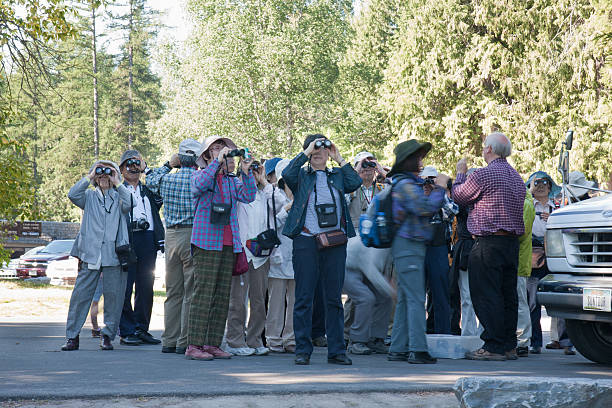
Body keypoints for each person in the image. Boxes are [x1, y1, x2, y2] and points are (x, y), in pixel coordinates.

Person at [282, 134, 362, 365]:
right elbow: (286, 174)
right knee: (305, 296)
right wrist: (307, 152)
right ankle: (303, 350)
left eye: (323, 149)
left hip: (334, 242)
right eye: (314, 150)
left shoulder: (337, 175)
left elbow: (354, 183)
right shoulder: (301, 175)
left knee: (334, 298)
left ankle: (336, 350)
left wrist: (338, 157)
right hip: (306, 240)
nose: (319, 152)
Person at [452, 132, 526, 361]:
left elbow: (459, 197)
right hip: (511, 243)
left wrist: (460, 174)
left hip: (488, 242)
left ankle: (493, 346)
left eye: (485, 146)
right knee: (507, 294)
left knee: (486, 293)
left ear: (489, 150)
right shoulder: (516, 177)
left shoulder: (483, 175)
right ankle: (508, 345)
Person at [185, 135, 256, 361]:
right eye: (216, 148)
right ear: (207, 154)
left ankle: (212, 343)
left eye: (225, 149)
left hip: (229, 243)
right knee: (203, 294)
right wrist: (216, 162)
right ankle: (193, 345)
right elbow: (200, 185)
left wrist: (246, 171)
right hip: (206, 242)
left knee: (222, 295)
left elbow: (249, 195)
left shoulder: (231, 179)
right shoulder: (200, 174)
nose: (223, 151)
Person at [386, 140, 447, 364]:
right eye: (418, 157)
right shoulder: (406, 185)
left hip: (405, 245)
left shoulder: (403, 183)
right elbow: (425, 208)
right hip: (409, 245)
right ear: (409, 160)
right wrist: (440, 188)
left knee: (405, 297)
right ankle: (418, 349)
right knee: (415, 297)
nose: (421, 161)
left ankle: (398, 347)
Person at [61, 160, 133, 351]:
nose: (104, 177)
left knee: (113, 297)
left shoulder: (119, 197)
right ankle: (72, 336)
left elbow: (129, 203)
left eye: (107, 174)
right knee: (80, 296)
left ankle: (108, 335)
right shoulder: (88, 197)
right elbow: (72, 194)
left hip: (114, 254)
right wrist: (90, 175)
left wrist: (117, 182)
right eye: (100, 174)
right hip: (90, 253)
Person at [145, 138, 202, 355]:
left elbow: (150, 179)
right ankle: (184, 341)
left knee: (173, 291)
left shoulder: (167, 180)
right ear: (196, 158)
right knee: (190, 290)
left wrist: (168, 164)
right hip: (192, 234)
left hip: (171, 236)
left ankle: (168, 339)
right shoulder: (199, 179)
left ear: (179, 158)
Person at [118, 150, 164, 347]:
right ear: (121, 169)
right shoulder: (118, 190)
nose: (133, 167)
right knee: (126, 287)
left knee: (146, 287)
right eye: (128, 164)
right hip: (128, 239)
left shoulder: (149, 190)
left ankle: (141, 328)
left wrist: (146, 169)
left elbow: (162, 186)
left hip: (147, 239)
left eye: (136, 163)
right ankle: (127, 330)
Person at [224, 159, 271, 356]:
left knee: (259, 300)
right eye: (249, 170)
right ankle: (235, 340)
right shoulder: (237, 193)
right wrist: (243, 173)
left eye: (255, 169)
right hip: (241, 252)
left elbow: (281, 204)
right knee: (237, 301)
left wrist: (264, 179)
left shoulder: (265, 195)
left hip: (260, 255)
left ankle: (254, 340)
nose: (252, 173)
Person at [344, 151, 388, 350]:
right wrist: (355, 173)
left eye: (371, 166)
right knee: (357, 298)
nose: (368, 170)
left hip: (374, 248)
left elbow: (397, 192)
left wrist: (383, 172)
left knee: (381, 295)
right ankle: (348, 335)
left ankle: (376, 337)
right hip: (352, 248)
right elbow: (342, 202)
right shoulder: (350, 189)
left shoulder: (380, 189)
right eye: (364, 165)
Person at [265, 159, 296, 353]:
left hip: (298, 254)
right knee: (275, 300)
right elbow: (270, 224)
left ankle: (291, 338)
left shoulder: (304, 195)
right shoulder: (273, 195)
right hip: (278, 254)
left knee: (295, 301)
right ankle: (273, 338)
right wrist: (287, 209)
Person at [421, 166, 455, 335]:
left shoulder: (442, 196)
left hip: (439, 248)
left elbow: (452, 212)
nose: (428, 183)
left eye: (432, 179)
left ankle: (443, 332)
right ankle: (418, 333)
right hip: (419, 248)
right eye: (425, 179)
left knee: (441, 292)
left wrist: (438, 192)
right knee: (417, 293)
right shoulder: (416, 195)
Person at [450, 168, 481, 337]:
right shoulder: (461, 204)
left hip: (481, 247)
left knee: (483, 293)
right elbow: (455, 201)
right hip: (465, 249)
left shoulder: (484, 200)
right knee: (467, 295)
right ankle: (469, 333)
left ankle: (484, 333)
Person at [513, 188, 535, 359]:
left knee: (520, 302)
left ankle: (523, 341)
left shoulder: (525, 204)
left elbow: (522, 231)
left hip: (519, 261)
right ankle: (519, 340)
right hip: (516, 260)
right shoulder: (522, 201)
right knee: (518, 301)